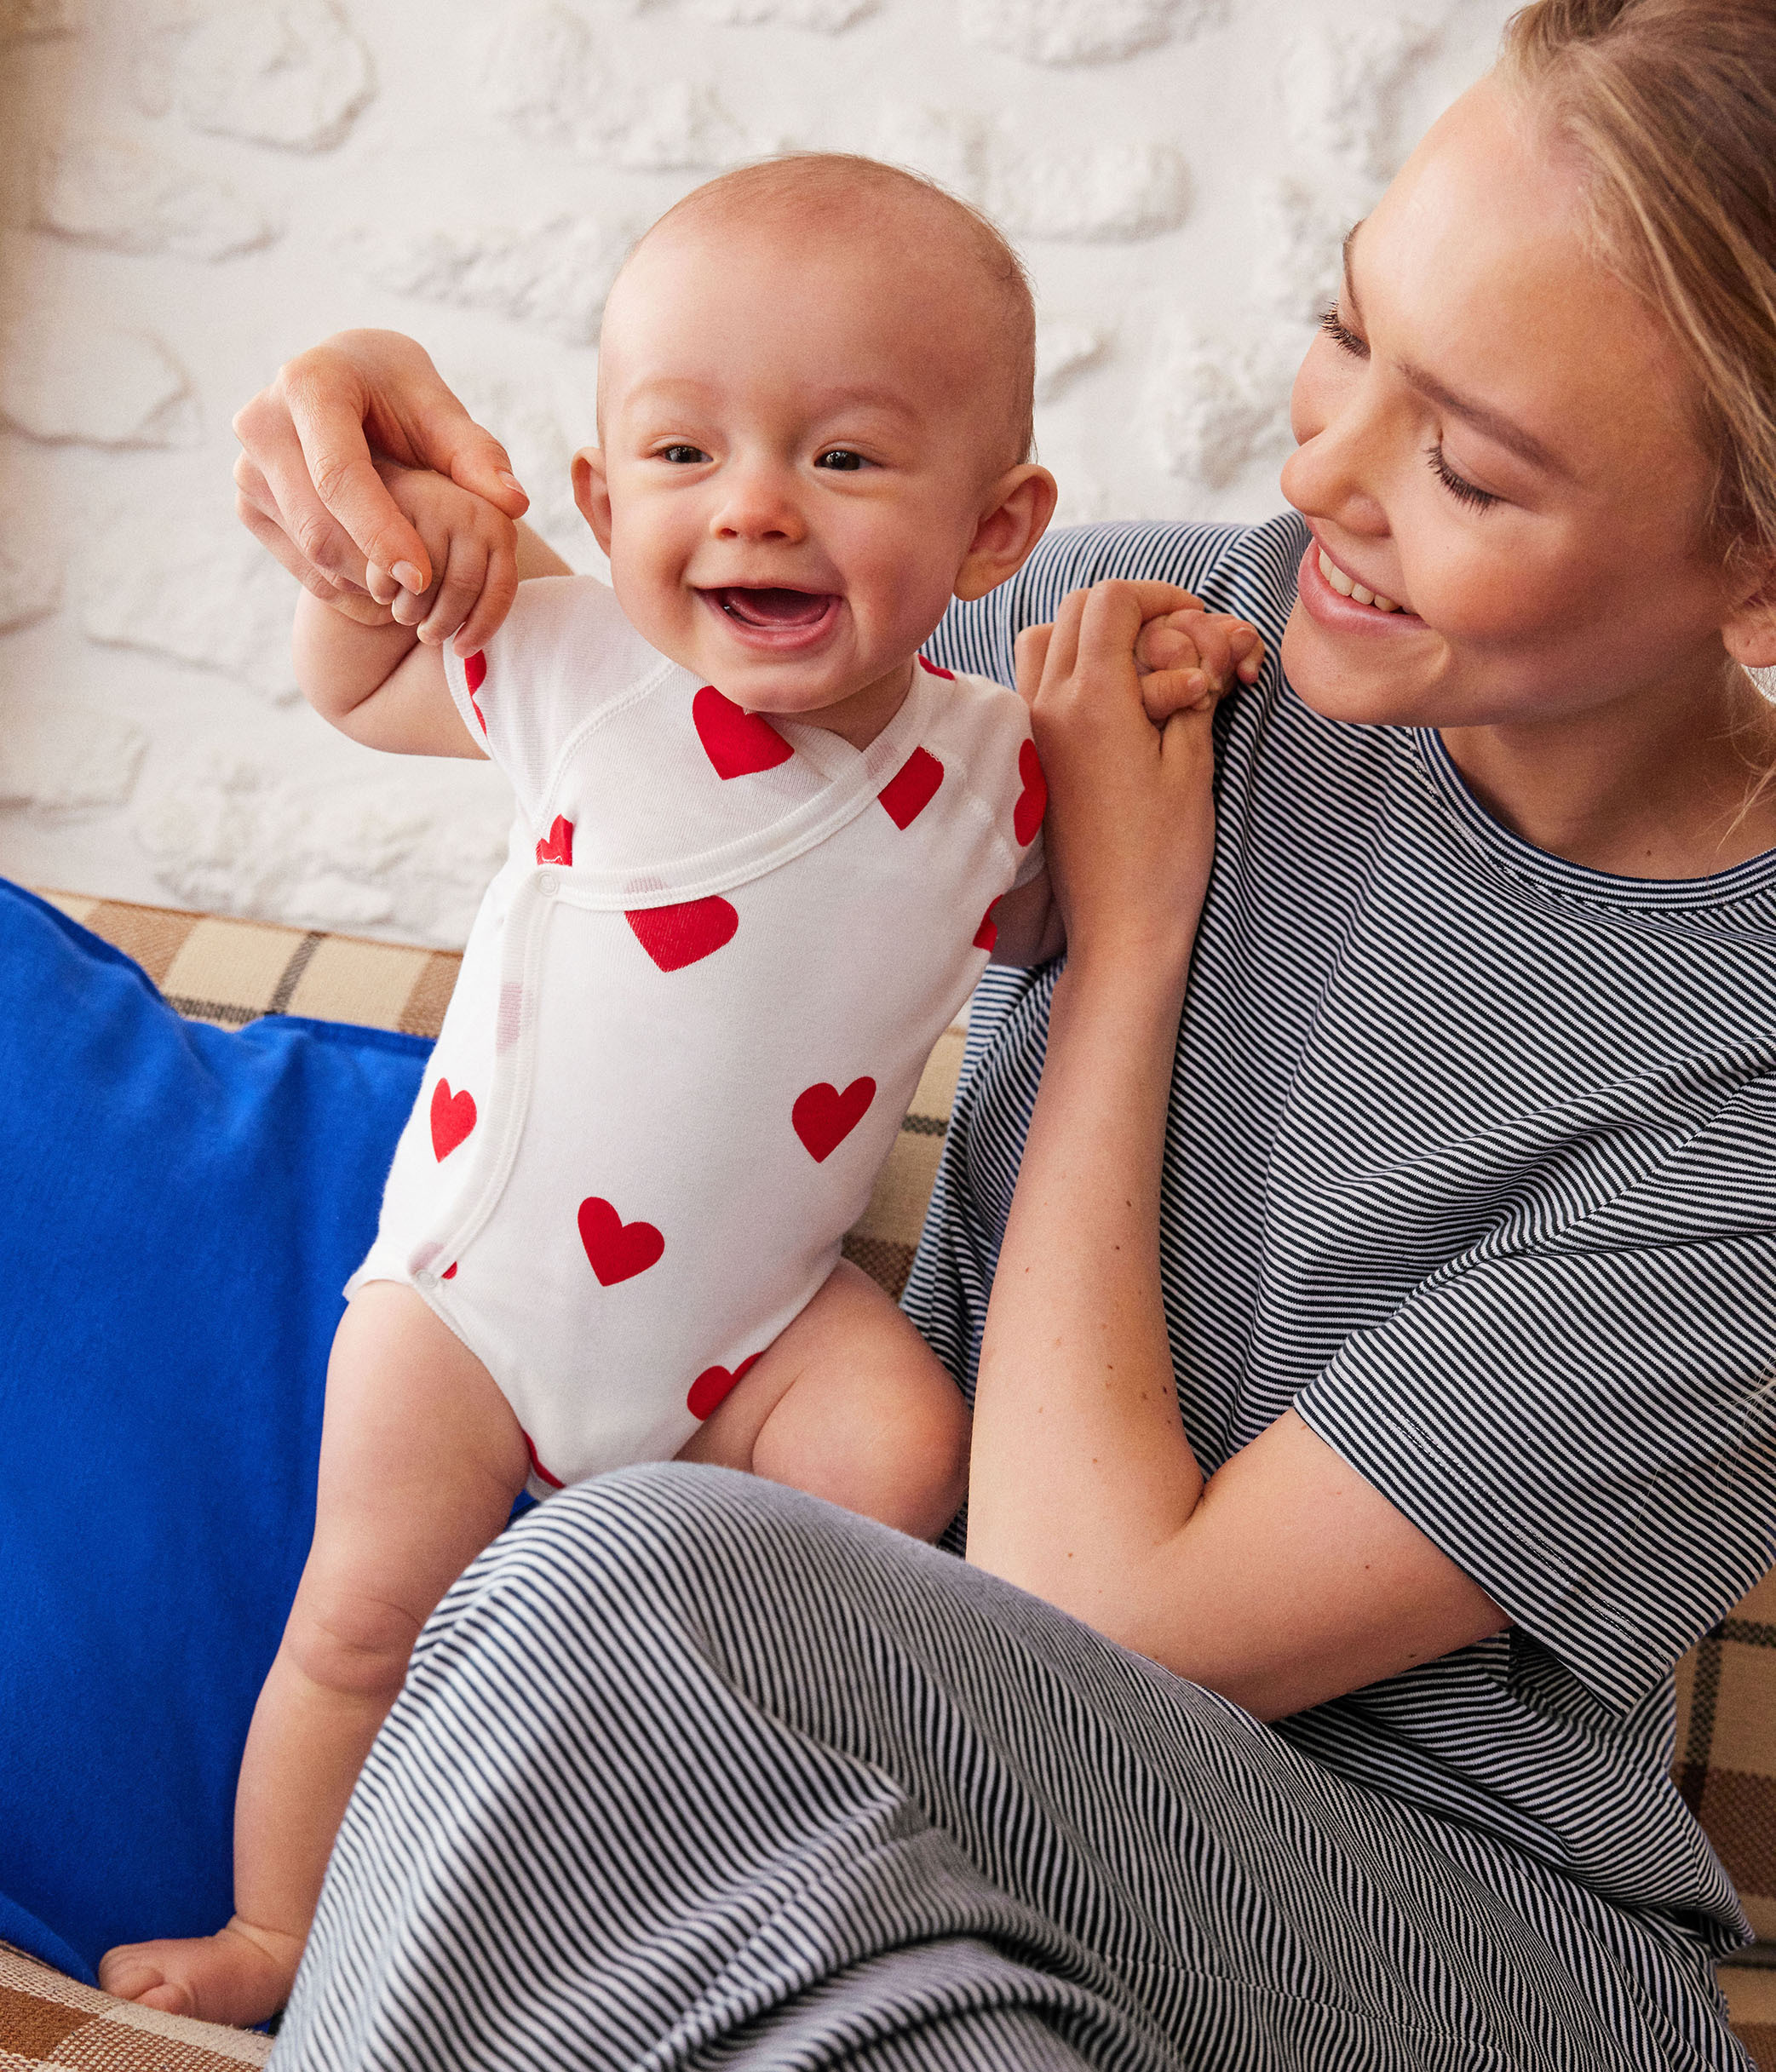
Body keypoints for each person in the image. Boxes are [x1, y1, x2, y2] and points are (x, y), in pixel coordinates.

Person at [190, 0, 1776, 2063]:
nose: (1313, 472)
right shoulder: (1158, 632)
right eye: (1345, 329)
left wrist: (1126, 946)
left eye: (1463, 464)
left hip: (1426, 1945)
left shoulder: (1739, 1091)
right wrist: (376, 498)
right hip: (902, 1832)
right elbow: (605, 676)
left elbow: (1100, 1616)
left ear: (1751, 569)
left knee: (625, 1578)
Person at [96, 155, 1269, 2029]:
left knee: (901, 1452)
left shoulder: (989, 767)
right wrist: (377, 573)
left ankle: (725, 1821)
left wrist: (1154, 697)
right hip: (479, 1296)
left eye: (847, 459)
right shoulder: (572, 663)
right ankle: (283, 1929)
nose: (754, 509)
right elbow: (358, 688)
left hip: (749, 1326)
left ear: (993, 526)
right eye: (680, 453)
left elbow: (1065, 912)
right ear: (592, 497)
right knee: (361, 1613)